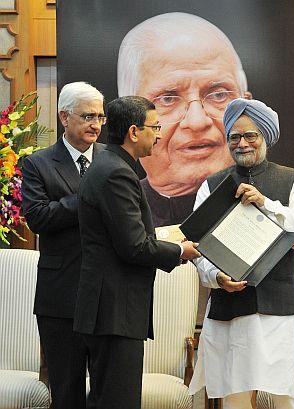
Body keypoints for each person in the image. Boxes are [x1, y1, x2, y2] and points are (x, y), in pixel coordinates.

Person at [117, 12, 294, 234]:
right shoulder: (115, 210)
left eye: (218, 94)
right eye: (168, 99)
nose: (197, 121)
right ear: (133, 117)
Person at [189, 98, 294, 409]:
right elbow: (199, 248)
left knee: (287, 397)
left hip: (280, 308)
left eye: (251, 135)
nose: (242, 143)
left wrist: (266, 204)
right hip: (229, 308)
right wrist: (216, 276)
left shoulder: (291, 180)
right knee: (235, 400)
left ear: (264, 137)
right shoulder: (212, 186)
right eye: (234, 137)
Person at [73, 96, 200, 409]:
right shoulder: (116, 173)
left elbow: (127, 237)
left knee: (106, 399)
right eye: (155, 127)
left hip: (110, 309)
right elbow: (134, 246)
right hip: (113, 311)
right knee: (117, 401)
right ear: (133, 131)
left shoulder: (110, 165)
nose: (158, 134)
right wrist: (180, 251)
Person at [21, 81, 106, 409]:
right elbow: (39, 218)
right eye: (88, 117)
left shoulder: (112, 160)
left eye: (100, 117)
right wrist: (88, 197)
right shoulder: (38, 163)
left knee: (105, 394)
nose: (96, 124)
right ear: (64, 117)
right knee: (66, 393)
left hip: (104, 295)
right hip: (61, 297)